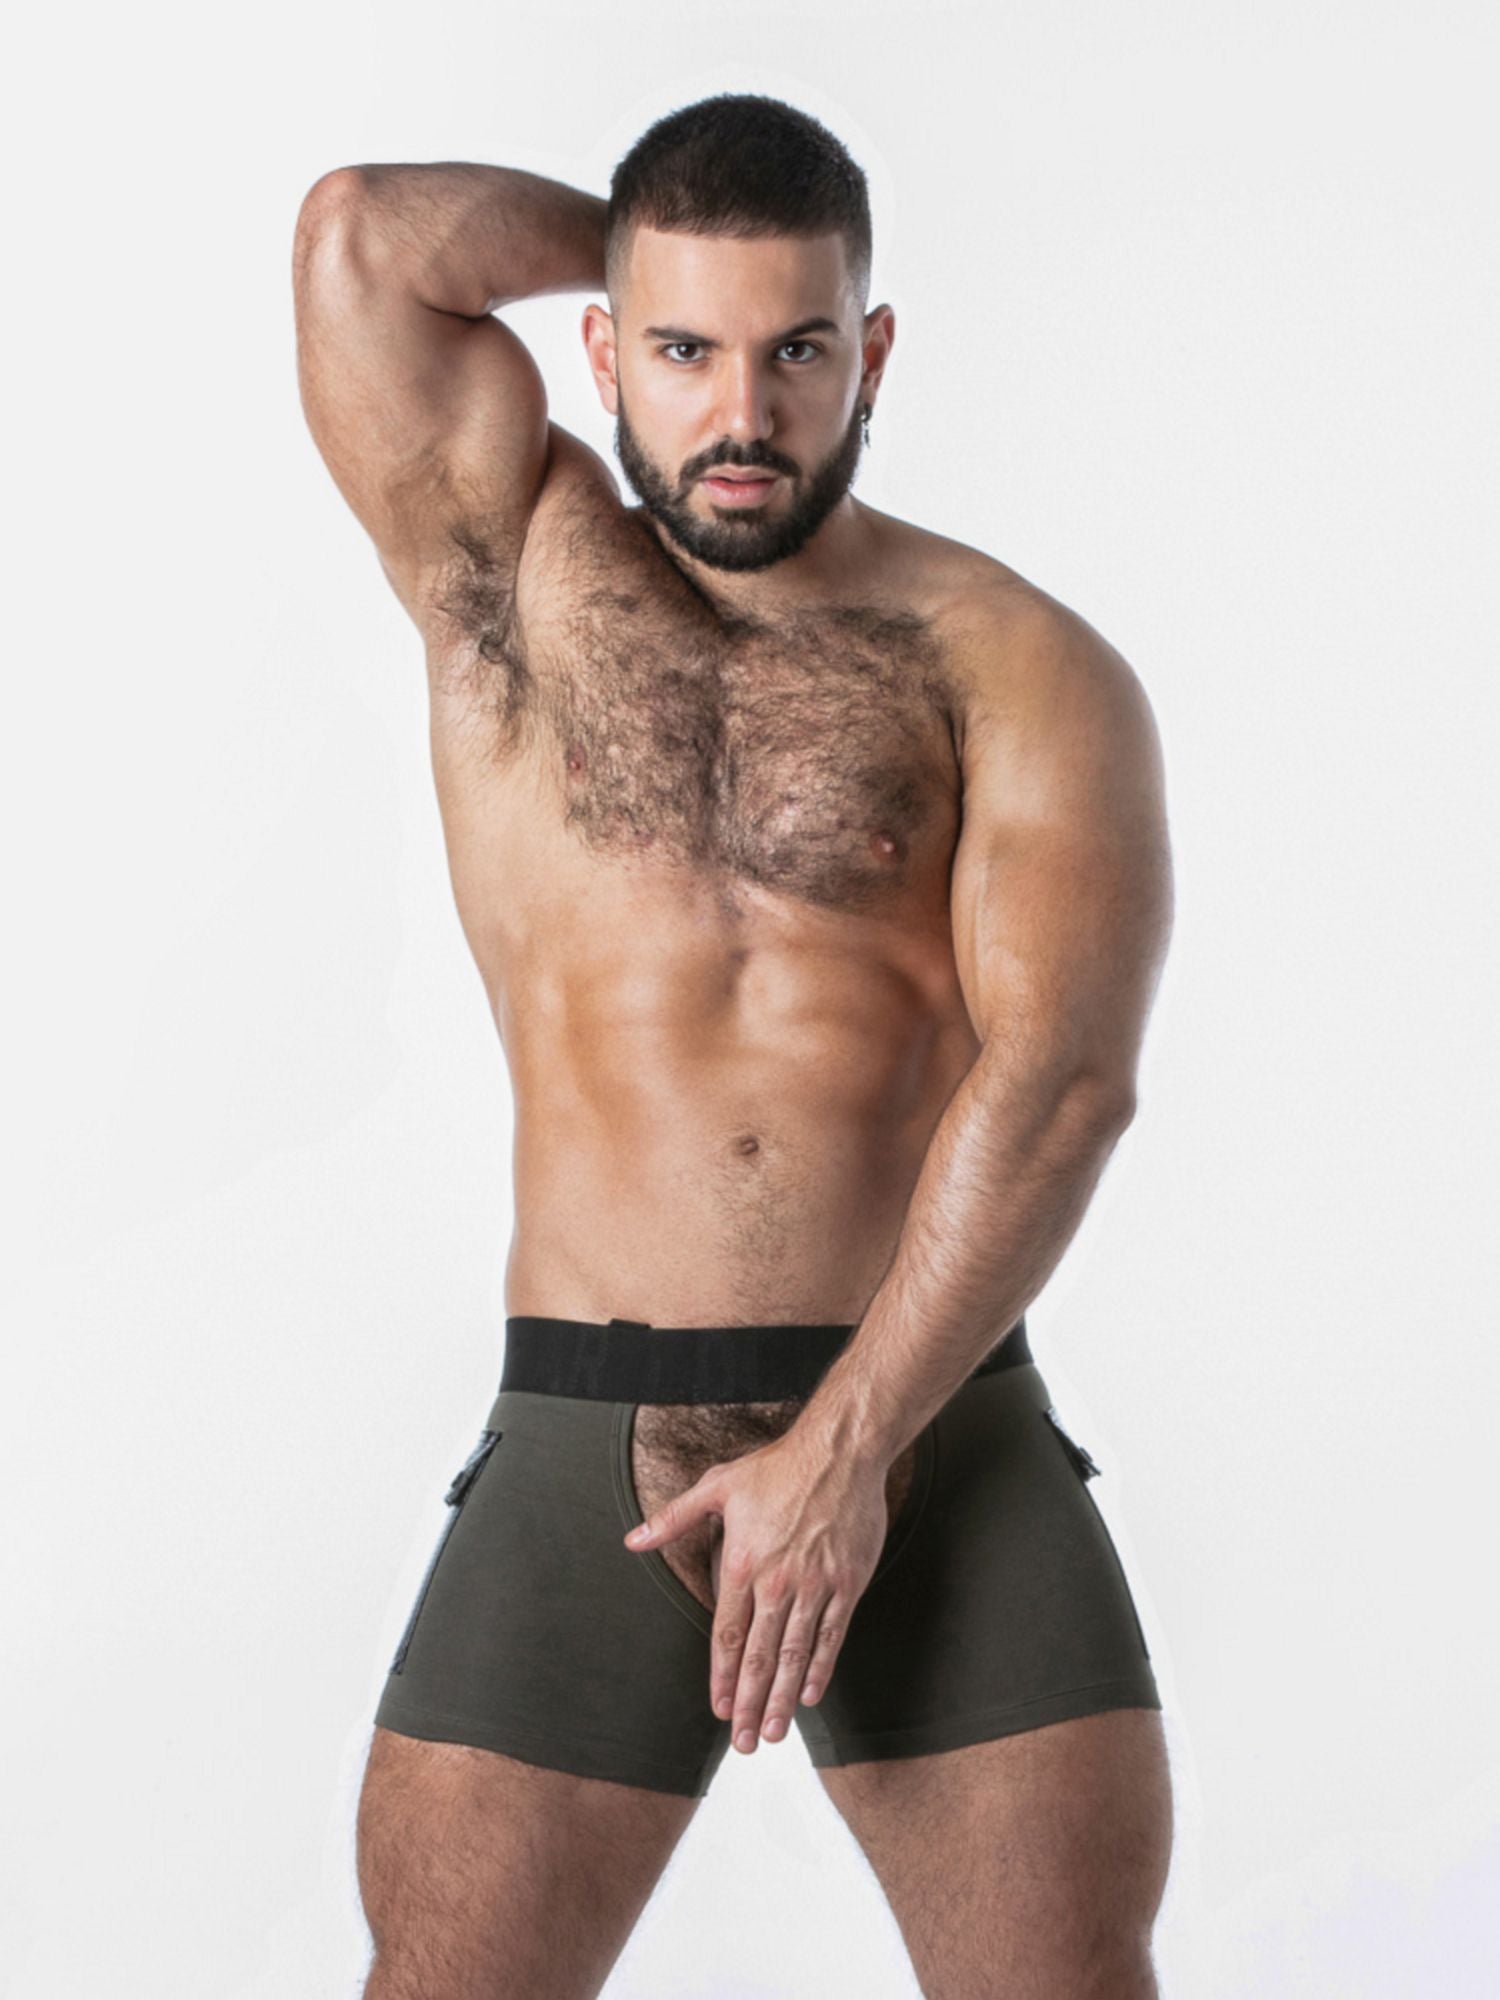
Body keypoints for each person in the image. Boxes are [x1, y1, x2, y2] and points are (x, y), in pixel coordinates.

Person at [293, 90, 1175, 2000]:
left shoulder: (1014, 659)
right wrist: (633, 232)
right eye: (685, 350)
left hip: (934, 1431)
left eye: (796, 352)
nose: (743, 413)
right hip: (589, 1425)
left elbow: (1062, 1083)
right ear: (603, 347)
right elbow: (362, 234)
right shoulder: (510, 576)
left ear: (873, 353)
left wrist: (847, 1446)